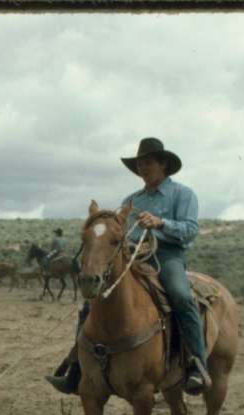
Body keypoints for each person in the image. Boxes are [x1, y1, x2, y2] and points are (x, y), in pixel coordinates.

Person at [46, 137, 209, 396]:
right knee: (92, 301)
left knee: (180, 295)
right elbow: (120, 235)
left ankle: (196, 364)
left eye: (148, 163)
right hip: (132, 257)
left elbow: (190, 231)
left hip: (167, 257)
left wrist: (160, 223)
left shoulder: (183, 194)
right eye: (140, 164)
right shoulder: (130, 201)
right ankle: (76, 368)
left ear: (163, 164)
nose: (143, 168)